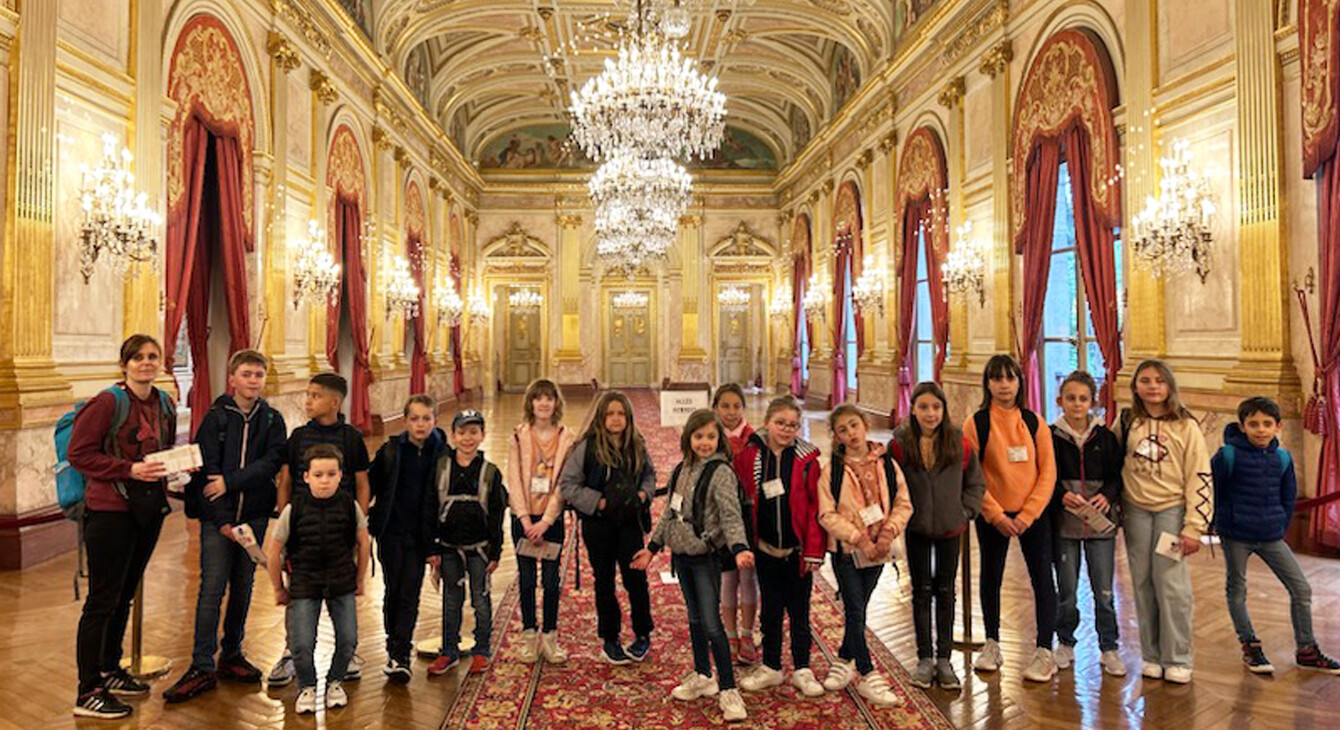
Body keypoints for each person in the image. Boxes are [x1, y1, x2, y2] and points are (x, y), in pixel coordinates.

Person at [164, 350, 287, 703]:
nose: (253, 380)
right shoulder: (215, 418)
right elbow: (206, 475)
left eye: (259, 375)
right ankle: (201, 664)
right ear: (232, 378)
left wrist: (231, 483)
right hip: (218, 521)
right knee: (212, 588)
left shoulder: (273, 419)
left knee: (244, 585)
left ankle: (232, 653)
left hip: (256, 517)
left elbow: (271, 462)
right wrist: (221, 522)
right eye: (246, 374)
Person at [68, 334, 178, 719]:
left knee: (124, 594)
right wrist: (128, 469)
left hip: (146, 509)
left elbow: (160, 451)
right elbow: (79, 454)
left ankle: (110, 669)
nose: (146, 363)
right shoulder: (106, 403)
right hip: (109, 510)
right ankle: (87, 690)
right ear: (124, 364)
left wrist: (175, 469)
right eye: (138, 358)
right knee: (102, 599)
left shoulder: (164, 402)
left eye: (152, 357)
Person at [633, 409, 752, 722]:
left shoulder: (721, 473)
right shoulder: (681, 469)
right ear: (689, 438)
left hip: (705, 559)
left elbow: (731, 515)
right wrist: (652, 548)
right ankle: (703, 675)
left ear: (719, 440)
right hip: (681, 558)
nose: (705, 442)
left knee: (713, 625)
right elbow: (670, 515)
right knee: (695, 620)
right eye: (699, 436)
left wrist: (739, 548)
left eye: (711, 437)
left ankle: (729, 689)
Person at [1212, 396, 1340, 675]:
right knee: (1237, 589)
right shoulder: (1227, 456)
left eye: (1267, 424)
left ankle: (1306, 649)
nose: (1261, 430)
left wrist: (1280, 526)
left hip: (1271, 535)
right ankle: (1250, 644)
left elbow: (1288, 496)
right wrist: (1223, 524)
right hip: (1236, 534)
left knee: (1301, 588)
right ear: (1242, 426)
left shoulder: (1283, 457)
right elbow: (1215, 492)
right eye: (1254, 424)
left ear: (1278, 426)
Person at [269, 373, 371, 686]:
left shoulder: (352, 438)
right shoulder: (298, 437)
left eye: (315, 395)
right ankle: (291, 651)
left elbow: (363, 485)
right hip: (302, 527)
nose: (308, 401)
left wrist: (357, 526)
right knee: (298, 590)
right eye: (308, 395)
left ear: (334, 402)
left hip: (341, 525)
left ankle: (347, 652)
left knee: (342, 591)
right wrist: (285, 522)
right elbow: (285, 481)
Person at [965, 354, 1058, 682]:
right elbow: (973, 475)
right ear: (987, 384)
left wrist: (1028, 514)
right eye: (996, 379)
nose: (1003, 385)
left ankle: (1045, 649)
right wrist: (995, 515)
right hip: (994, 515)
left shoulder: (1035, 423)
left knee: (1042, 579)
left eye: (1009, 378)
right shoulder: (976, 423)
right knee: (991, 576)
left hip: (1033, 515)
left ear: (1020, 382)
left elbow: (1048, 473)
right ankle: (992, 642)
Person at [1119, 359, 1210, 684]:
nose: (1153, 386)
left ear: (1169, 385)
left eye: (1159, 380)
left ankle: (1178, 657)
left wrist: (1194, 526)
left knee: (1170, 583)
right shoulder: (1129, 421)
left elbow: (1199, 476)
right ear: (1136, 387)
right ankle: (1152, 654)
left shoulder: (1187, 426)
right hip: (1136, 512)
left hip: (1171, 511)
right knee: (1142, 582)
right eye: (1145, 380)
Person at [890, 382, 984, 691]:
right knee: (921, 591)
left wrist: (965, 512)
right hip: (916, 528)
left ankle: (944, 658)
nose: (930, 414)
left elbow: (975, 483)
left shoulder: (959, 442)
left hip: (950, 527)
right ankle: (924, 658)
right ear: (913, 410)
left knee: (946, 590)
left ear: (944, 410)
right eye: (923, 407)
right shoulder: (900, 445)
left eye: (936, 407)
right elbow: (891, 485)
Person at [265, 444, 370, 715]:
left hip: (341, 581)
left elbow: (363, 542)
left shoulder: (349, 505)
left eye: (331, 474)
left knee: (348, 640)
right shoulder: (294, 508)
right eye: (319, 474)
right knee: (300, 644)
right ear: (306, 476)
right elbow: (274, 550)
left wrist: (360, 580)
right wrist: (277, 587)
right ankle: (307, 686)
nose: (325, 481)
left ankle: (335, 681)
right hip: (304, 583)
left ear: (340, 475)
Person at [817, 405, 910, 706]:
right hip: (847, 552)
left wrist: (887, 534)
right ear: (836, 436)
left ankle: (845, 658)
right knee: (855, 610)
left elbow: (903, 502)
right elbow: (826, 514)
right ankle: (869, 674)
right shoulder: (832, 471)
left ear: (865, 425)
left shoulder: (887, 464)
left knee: (859, 610)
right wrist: (858, 539)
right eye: (842, 430)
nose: (850, 434)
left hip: (880, 550)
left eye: (854, 426)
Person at [735, 397, 826, 698]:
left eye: (792, 425)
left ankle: (802, 667)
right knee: (771, 612)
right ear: (767, 422)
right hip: (765, 550)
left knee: (800, 613)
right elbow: (742, 496)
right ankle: (772, 666)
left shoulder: (806, 460)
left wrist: (814, 550)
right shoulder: (750, 454)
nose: (786, 430)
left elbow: (815, 508)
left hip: (797, 553)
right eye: (780, 423)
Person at [558, 391, 657, 665]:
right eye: (610, 414)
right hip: (598, 525)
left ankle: (642, 634)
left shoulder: (637, 444)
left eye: (621, 414)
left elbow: (649, 475)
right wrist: (598, 503)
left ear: (628, 417)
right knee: (604, 582)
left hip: (629, 523)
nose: (615, 419)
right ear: (601, 417)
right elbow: (568, 485)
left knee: (635, 579)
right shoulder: (586, 447)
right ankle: (610, 638)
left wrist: (642, 496)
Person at [1049, 371, 1126, 677]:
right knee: (1066, 589)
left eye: (1083, 399)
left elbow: (1117, 476)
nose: (1077, 404)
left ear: (1092, 402)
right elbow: (1046, 477)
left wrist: (1107, 496)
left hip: (1100, 526)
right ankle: (1065, 642)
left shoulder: (1105, 437)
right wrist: (1061, 496)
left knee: (1104, 590)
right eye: (1071, 398)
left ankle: (1109, 647)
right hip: (1064, 525)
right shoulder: (1050, 436)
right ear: (1060, 401)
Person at [368, 394, 446, 682]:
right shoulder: (390, 451)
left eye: (426, 418)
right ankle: (393, 646)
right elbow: (370, 485)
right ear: (405, 421)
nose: (421, 424)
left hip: (420, 538)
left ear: (435, 420)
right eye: (415, 419)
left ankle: (402, 653)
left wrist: (436, 543)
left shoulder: (443, 453)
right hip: (390, 533)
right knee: (392, 590)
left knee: (410, 593)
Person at [426, 410, 507, 677]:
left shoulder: (490, 473)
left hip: (479, 550)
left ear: (482, 435)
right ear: (453, 435)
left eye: (474, 432)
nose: (467, 438)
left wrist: (496, 551)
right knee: (451, 601)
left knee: (481, 601)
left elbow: (496, 515)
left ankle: (481, 650)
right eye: (462, 432)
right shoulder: (441, 468)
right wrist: (432, 548)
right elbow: (429, 508)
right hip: (448, 548)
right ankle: (449, 650)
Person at [506, 379, 578, 665]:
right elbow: (513, 478)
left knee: (550, 581)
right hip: (522, 519)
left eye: (549, 398)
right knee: (526, 581)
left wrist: (546, 521)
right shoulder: (518, 435)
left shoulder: (567, 437)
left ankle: (550, 637)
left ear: (556, 403)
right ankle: (528, 637)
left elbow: (564, 483)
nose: (544, 403)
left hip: (551, 520)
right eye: (539, 398)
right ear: (531, 403)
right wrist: (524, 518)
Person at [713, 384, 759, 665]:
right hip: (722, 518)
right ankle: (729, 632)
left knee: (749, 577)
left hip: (751, 516)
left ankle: (747, 632)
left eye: (736, 406)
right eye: (725, 406)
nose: (731, 412)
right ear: (716, 407)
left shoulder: (756, 439)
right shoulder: (711, 437)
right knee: (728, 577)